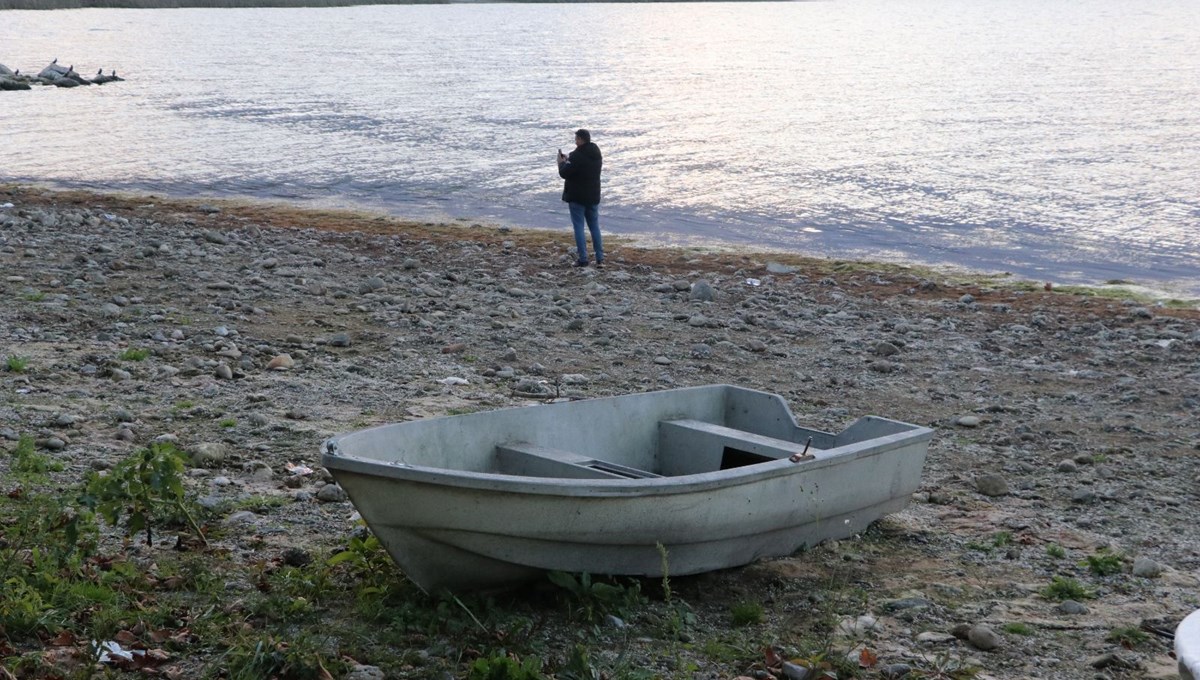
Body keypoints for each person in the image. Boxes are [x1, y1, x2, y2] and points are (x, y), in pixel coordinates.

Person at [557, 129, 603, 267]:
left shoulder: (576, 156)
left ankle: (583, 258)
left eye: (576, 139)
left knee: (579, 227)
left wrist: (561, 162)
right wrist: (568, 161)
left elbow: (564, 173)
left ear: (581, 140)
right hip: (593, 195)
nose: (575, 142)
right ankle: (600, 258)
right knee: (594, 226)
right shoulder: (596, 153)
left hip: (577, 196)